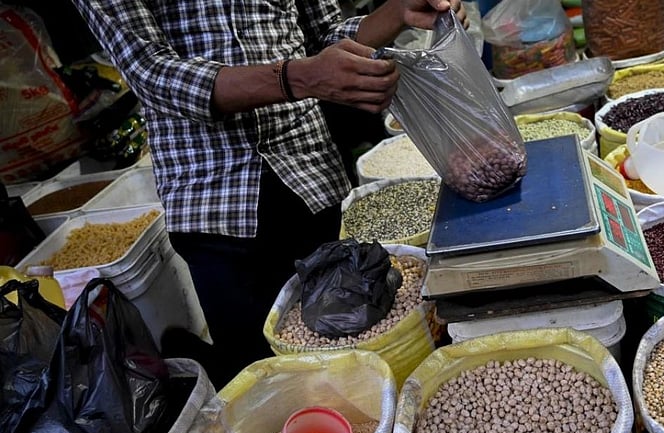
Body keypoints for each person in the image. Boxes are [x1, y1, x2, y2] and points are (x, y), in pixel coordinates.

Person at [69, 0, 466, 388]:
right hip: (214, 198)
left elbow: (325, 35)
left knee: (356, 351)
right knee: (262, 374)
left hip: (310, 176)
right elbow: (151, 71)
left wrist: (398, 12)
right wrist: (298, 78)